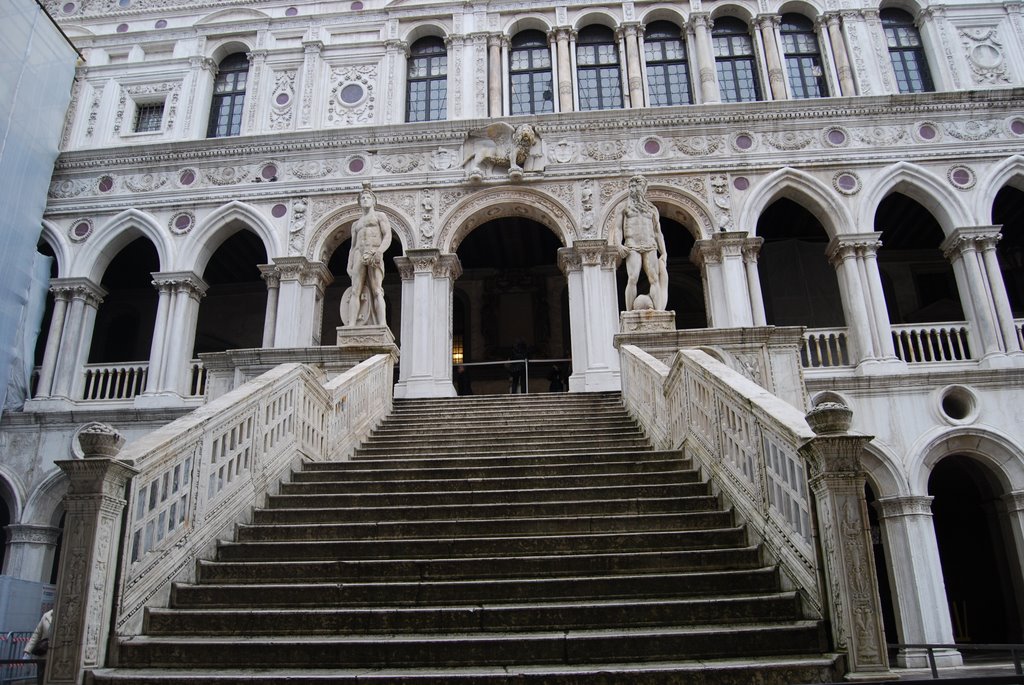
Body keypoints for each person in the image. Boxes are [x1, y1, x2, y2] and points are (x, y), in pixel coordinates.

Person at [610, 175, 669, 311]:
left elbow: (657, 232)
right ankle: (630, 312)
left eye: (636, 186)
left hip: (650, 245)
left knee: (654, 278)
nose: (633, 189)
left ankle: (659, 311)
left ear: (643, 188)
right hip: (632, 245)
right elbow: (617, 228)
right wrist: (618, 244)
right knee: (633, 277)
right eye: (631, 186)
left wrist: (664, 252)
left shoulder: (652, 209)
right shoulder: (623, 207)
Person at [341, 184, 392, 327]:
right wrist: (349, 264)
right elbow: (352, 246)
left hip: (373, 251)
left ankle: (382, 324)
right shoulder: (355, 224)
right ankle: (351, 324)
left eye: (368, 197)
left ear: (373, 201)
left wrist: (380, 252)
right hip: (358, 253)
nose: (365, 199)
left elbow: (387, 235)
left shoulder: (380, 216)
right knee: (355, 290)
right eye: (362, 198)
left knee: (377, 290)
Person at [23, 608, 52, 685]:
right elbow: (37, 634)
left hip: (57, 655)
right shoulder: (46, 616)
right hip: (44, 653)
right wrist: (27, 651)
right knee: (41, 677)